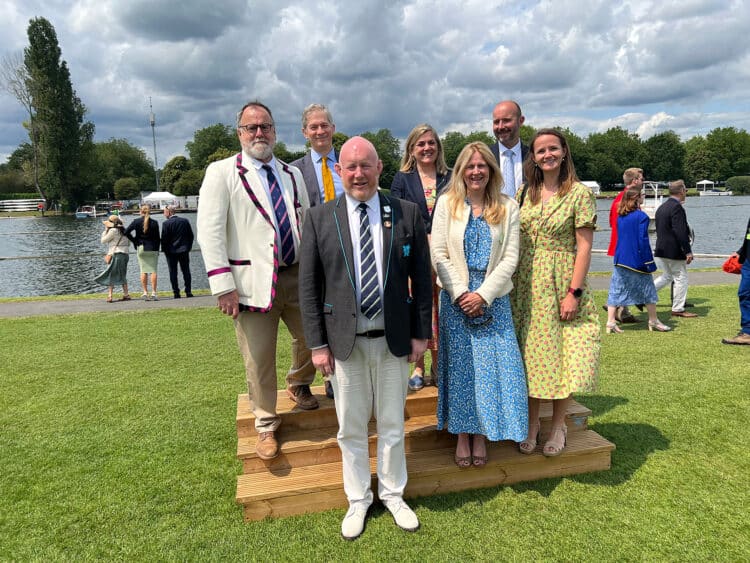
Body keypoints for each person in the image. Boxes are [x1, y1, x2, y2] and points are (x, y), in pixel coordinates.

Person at [298, 136, 432, 540]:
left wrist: (421, 334)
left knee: (392, 423)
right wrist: (317, 345)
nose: (358, 174)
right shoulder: (320, 218)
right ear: (339, 172)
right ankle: (358, 498)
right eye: (350, 167)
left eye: (366, 165)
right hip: (345, 343)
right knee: (351, 427)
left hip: (393, 339)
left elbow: (422, 281)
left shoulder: (406, 212)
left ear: (379, 168)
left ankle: (393, 494)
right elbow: (309, 287)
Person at [197, 100, 318, 462]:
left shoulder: (292, 174)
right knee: (258, 357)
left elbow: (307, 223)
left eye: (265, 126)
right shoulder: (221, 173)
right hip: (250, 282)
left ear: (275, 131)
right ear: (240, 133)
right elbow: (209, 231)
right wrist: (222, 285)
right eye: (251, 128)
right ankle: (266, 424)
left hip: (297, 275)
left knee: (316, 339)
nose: (259, 133)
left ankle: (298, 383)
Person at [430, 142, 528, 468]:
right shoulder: (447, 204)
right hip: (456, 299)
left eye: (482, 166)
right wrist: (461, 293)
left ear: (491, 170)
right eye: (470, 166)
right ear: (460, 171)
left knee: (492, 370)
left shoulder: (508, 206)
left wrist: (483, 295)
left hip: (493, 300)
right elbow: (438, 253)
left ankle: (483, 433)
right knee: (460, 370)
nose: (476, 171)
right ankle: (461, 434)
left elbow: (511, 257)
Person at [510, 128, 600, 458]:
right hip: (526, 284)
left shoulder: (578, 193)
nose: (547, 155)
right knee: (530, 357)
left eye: (553, 148)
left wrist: (574, 292)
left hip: (561, 279)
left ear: (563, 152)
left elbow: (585, 246)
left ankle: (558, 424)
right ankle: (532, 423)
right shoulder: (525, 193)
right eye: (540, 150)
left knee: (561, 356)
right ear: (532, 156)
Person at [390, 123, 451, 390]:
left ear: (438, 147)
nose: (427, 148)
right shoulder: (402, 179)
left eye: (431, 143)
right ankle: (418, 365)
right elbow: (394, 217)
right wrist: (420, 238)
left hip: (446, 256)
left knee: (441, 313)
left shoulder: (451, 177)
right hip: (413, 257)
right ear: (412, 150)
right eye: (421, 144)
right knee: (418, 309)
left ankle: (439, 366)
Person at [291, 103, 344, 399]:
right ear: (305, 133)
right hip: (312, 252)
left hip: (346, 253)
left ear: (333, 129)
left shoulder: (347, 163)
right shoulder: (295, 170)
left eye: (324, 125)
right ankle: (300, 379)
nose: (320, 131)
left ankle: (334, 378)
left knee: (342, 313)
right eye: (314, 127)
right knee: (309, 315)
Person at [605, 187, 671, 333]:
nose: (643, 197)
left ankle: (610, 322)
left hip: (620, 258)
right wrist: (649, 262)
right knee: (648, 291)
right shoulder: (642, 217)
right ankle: (653, 320)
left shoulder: (620, 216)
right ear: (636, 198)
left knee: (616, 289)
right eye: (642, 195)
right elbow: (643, 241)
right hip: (636, 260)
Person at [653, 180, 698, 318]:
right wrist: (688, 251)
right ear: (681, 191)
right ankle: (678, 308)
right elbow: (680, 231)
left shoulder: (662, 207)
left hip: (661, 248)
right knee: (681, 278)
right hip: (673, 250)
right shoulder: (677, 208)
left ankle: (644, 295)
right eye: (685, 191)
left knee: (667, 276)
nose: (686, 193)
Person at [606, 167, 644, 324]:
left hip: (621, 246)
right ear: (634, 181)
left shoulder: (621, 198)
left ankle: (622, 309)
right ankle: (616, 304)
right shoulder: (624, 199)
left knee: (624, 277)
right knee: (625, 277)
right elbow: (623, 225)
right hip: (625, 247)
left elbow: (611, 222)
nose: (643, 181)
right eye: (641, 178)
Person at [489, 100, 529, 197]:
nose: (501, 126)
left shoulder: (533, 156)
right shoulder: (485, 156)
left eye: (506, 120)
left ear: (521, 121)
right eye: (496, 122)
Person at [721, 216, 750, 345]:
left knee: (745, 294)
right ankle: (747, 331)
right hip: (748, 260)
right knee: (744, 294)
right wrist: (741, 252)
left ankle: (748, 332)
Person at [125, 204, 161, 300]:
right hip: (152, 248)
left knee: (143, 271)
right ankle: (154, 292)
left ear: (141, 211)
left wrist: (134, 241)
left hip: (141, 247)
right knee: (153, 271)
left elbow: (126, 232)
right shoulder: (154, 222)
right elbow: (157, 238)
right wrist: (157, 249)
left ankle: (145, 292)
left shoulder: (136, 222)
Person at [94, 215, 131, 302]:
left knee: (111, 274)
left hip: (116, 254)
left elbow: (103, 240)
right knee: (123, 274)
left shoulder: (113, 231)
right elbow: (128, 243)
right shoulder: (124, 230)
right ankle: (126, 294)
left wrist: (105, 231)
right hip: (125, 254)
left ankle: (110, 296)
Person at [161, 205, 195, 299]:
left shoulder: (166, 224)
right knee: (186, 271)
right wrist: (188, 247)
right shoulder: (185, 221)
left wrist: (164, 250)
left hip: (171, 251)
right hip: (184, 250)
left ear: (169, 212)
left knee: (173, 272)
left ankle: (176, 292)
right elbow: (191, 236)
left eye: (164, 212)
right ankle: (188, 291)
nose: (164, 214)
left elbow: (164, 239)